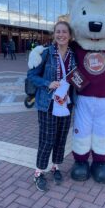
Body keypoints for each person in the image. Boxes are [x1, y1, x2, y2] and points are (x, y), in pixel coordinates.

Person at [27, 21, 76, 192]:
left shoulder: (73, 55)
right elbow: (31, 75)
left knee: (61, 139)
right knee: (47, 140)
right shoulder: (46, 53)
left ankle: (56, 167)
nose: (61, 35)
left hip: (66, 104)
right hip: (47, 104)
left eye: (64, 32)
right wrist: (48, 83)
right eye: (58, 32)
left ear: (70, 35)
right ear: (54, 34)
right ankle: (38, 172)